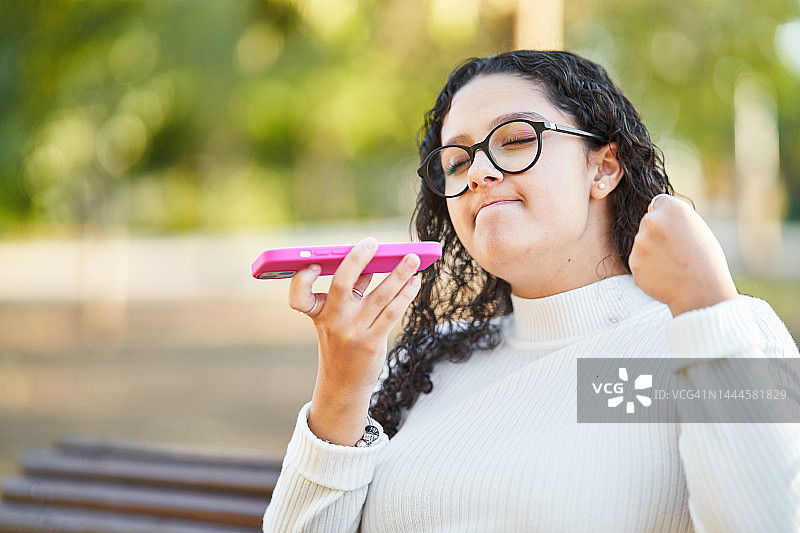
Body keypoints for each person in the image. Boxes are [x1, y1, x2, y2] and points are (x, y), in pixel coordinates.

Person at [262, 50, 800, 532]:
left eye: (517, 139)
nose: (478, 172)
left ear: (604, 167)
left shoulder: (692, 341)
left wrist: (706, 306)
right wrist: (340, 389)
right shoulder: (437, 362)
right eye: (456, 161)